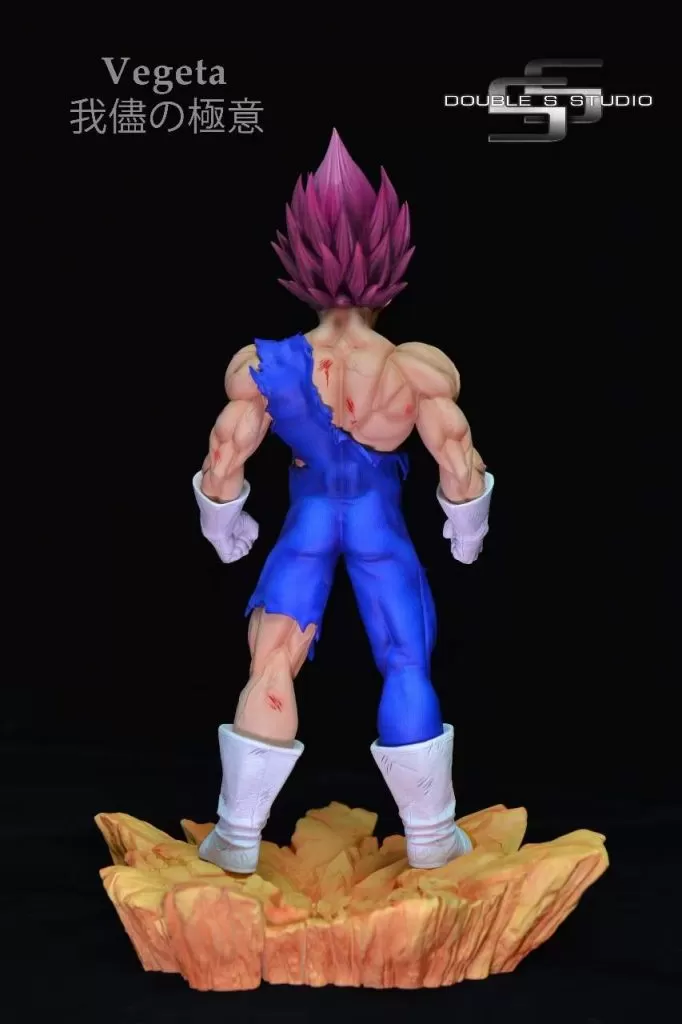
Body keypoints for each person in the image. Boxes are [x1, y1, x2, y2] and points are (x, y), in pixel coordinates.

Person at [193, 129, 494, 875]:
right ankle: (430, 835)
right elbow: (456, 456)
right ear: (390, 261)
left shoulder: (265, 364)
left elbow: (225, 454)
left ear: (300, 259)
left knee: (272, 660)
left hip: (307, 522)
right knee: (405, 662)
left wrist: (225, 524)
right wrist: (467, 529)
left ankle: (237, 836)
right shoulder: (413, 369)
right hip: (378, 526)